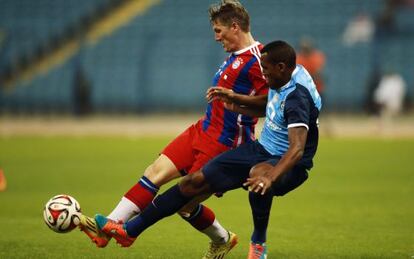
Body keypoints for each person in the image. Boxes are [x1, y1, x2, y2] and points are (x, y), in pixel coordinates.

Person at [93, 40, 322, 259]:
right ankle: (129, 231)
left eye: (266, 69)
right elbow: (271, 103)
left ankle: (258, 242)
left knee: (258, 176)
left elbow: (297, 148)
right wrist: (237, 99)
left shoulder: (297, 97)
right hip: (261, 149)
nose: (263, 74)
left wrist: (271, 176)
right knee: (193, 182)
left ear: (281, 68)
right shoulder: (285, 76)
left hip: (290, 164)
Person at [78, 1, 268, 258]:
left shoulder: (259, 59)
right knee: (154, 172)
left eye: (218, 31)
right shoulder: (233, 57)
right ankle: (109, 227)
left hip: (225, 142)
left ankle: (222, 239)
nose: (216, 37)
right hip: (202, 130)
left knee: (185, 204)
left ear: (235, 27)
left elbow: (269, 104)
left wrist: (233, 99)